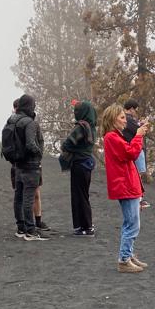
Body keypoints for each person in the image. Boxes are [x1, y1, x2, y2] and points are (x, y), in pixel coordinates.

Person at [100, 103, 148, 273]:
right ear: (113, 120)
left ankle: (128, 254)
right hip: (125, 185)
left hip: (127, 185)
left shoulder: (114, 137)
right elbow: (131, 153)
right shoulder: (112, 137)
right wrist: (138, 136)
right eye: (121, 117)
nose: (125, 121)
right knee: (132, 223)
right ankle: (124, 259)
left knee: (133, 222)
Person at [4, 94, 49, 241]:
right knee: (28, 198)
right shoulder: (30, 122)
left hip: (17, 165)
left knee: (18, 198)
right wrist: (39, 153)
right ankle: (31, 231)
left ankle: (21, 228)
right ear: (31, 106)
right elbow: (30, 143)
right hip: (30, 166)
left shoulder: (12, 120)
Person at [61, 99, 97, 236]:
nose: (76, 112)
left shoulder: (80, 127)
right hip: (87, 163)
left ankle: (85, 227)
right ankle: (86, 225)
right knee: (84, 194)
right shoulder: (92, 128)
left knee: (79, 195)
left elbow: (68, 144)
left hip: (79, 164)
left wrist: (65, 148)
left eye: (77, 110)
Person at [122, 99, 150, 209]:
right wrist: (144, 125)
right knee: (136, 174)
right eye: (136, 110)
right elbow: (139, 130)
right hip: (135, 148)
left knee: (136, 174)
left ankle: (136, 198)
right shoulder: (128, 119)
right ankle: (137, 199)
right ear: (132, 109)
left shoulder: (126, 119)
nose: (136, 113)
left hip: (132, 148)